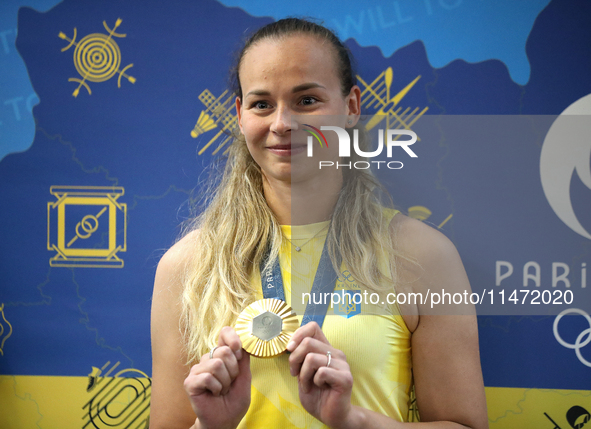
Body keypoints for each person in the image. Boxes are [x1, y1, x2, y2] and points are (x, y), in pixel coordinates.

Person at [150, 17, 489, 429]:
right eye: (261, 104)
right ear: (240, 116)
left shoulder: (422, 256)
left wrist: (353, 421)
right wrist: (210, 426)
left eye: (306, 100)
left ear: (350, 108)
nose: (282, 123)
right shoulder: (187, 266)